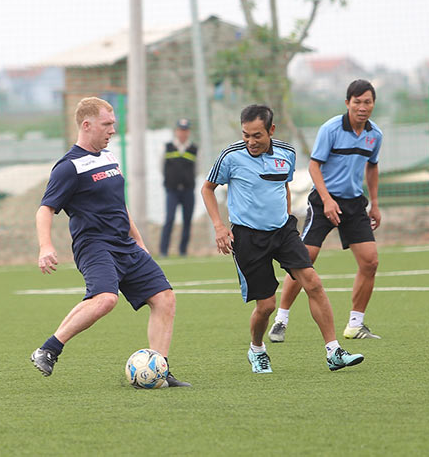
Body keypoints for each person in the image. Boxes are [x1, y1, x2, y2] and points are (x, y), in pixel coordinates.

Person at [30, 97, 190, 387]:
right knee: (105, 299)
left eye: (113, 124)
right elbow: (45, 209)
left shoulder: (109, 158)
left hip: (124, 244)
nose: (112, 130)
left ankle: (159, 372)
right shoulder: (68, 167)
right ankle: (49, 349)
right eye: (107, 124)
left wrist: (138, 240)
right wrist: (46, 246)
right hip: (94, 245)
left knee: (165, 299)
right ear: (87, 125)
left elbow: (120, 205)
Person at [201, 104, 364, 373]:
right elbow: (207, 188)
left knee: (313, 283)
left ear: (271, 130)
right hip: (247, 237)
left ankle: (333, 351)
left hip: (283, 232)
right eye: (246, 135)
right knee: (266, 306)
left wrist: (288, 219)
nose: (251, 141)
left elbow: (283, 186)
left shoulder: (287, 153)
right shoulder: (231, 155)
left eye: (257, 135)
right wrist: (219, 226)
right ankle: (256, 349)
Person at [268, 79, 383, 343]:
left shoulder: (374, 134)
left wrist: (374, 203)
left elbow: (372, 167)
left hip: (354, 203)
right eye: (357, 102)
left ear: (373, 104)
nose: (362, 107)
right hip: (323, 201)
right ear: (347, 103)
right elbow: (314, 167)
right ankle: (281, 320)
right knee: (303, 260)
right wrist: (327, 200)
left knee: (370, 261)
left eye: (367, 102)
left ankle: (356, 324)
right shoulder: (331, 129)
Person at [159, 118, 198, 257]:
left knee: (187, 221)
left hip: (188, 190)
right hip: (172, 190)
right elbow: (161, 166)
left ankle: (183, 251)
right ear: (176, 131)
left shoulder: (193, 149)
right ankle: (163, 251)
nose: (183, 133)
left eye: (185, 130)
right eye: (181, 130)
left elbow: (197, 169)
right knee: (169, 219)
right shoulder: (168, 147)